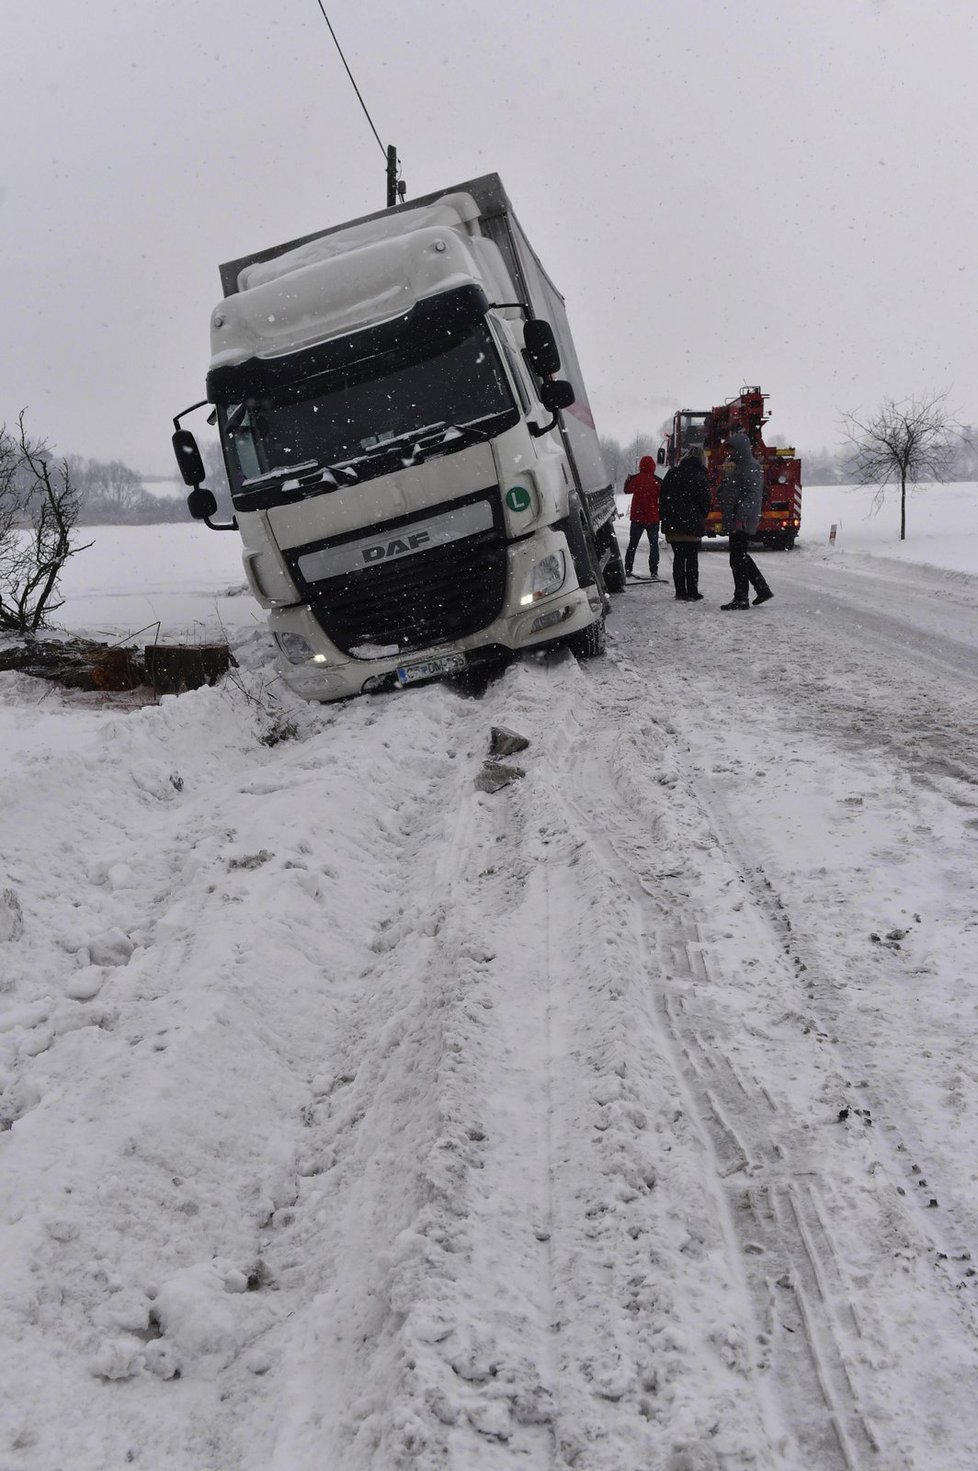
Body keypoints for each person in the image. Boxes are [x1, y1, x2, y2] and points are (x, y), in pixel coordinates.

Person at [717, 430, 773, 609]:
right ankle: (761, 589)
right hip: (736, 518)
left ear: (740, 449)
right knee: (739, 557)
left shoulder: (749, 466)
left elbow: (752, 495)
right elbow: (734, 490)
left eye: (732, 449)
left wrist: (740, 517)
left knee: (737, 558)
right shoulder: (739, 465)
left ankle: (742, 598)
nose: (730, 453)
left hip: (741, 520)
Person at [660, 445, 712, 601]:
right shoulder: (700, 475)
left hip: (674, 524)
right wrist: (701, 515)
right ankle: (692, 592)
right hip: (692, 523)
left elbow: (663, 497)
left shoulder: (672, 473)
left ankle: (680, 592)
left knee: (678, 558)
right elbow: (705, 501)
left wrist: (666, 516)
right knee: (691, 558)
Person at [622, 455, 662, 579]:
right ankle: (653, 571)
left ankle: (628, 569)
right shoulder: (657, 481)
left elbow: (626, 490)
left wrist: (628, 480)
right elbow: (663, 495)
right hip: (652, 518)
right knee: (653, 545)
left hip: (637, 518)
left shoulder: (636, 479)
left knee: (632, 544)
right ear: (653, 467)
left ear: (641, 466)